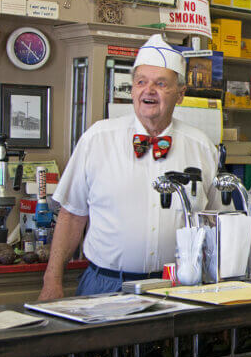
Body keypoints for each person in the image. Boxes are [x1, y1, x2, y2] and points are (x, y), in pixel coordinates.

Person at [39, 35, 222, 299]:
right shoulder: (97, 139)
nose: (149, 91)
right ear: (133, 90)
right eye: (141, 82)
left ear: (180, 94)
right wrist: (52, 280)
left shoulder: (201, 146)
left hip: (180, 286)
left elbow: (217, 223)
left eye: (161, 84)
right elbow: (71, 217)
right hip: (106, 284)